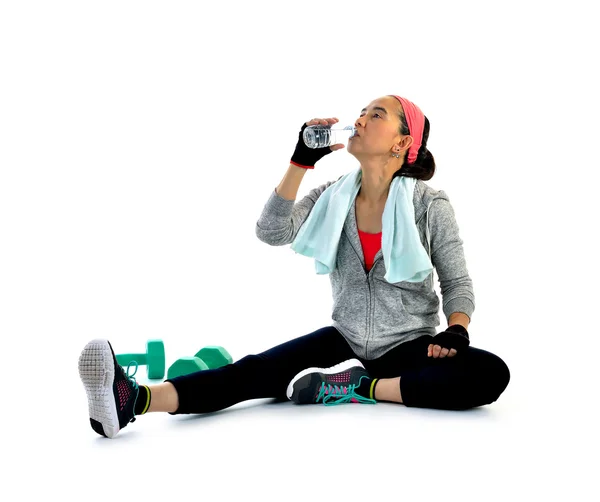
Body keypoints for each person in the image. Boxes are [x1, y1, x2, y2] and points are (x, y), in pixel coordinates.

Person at [79, 94, 511, 439]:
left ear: (402, 142)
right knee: (251, 372)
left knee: (490, 374)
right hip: (342, 341)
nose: (360, 119)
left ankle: (361, 387)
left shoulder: (429, 206)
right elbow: (271, 231)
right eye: (361, 111)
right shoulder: (332, 197)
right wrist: (300, 162)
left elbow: (457, 282)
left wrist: (457, 328)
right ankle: (132, 400)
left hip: (408, 347)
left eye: (376, 114)